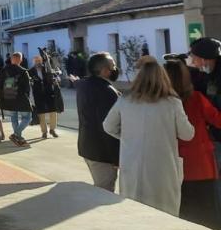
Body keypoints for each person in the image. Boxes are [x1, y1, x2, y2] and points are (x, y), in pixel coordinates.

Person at [103, 57, 194, 216]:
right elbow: (187, 135)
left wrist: (128, 137)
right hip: (163, 169)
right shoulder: (172, 102)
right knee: (165, 212)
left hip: (132, 164)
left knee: (135, 211)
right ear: (163, 77)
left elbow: (108, 126)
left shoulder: (125, 100)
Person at [164, 59, 221, 229]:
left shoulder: (160, 102)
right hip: (201, 164)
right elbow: (218, 120)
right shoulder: (196, 98)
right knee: (208, 213)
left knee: (182, 213)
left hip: (172, 165)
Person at [76, 52, 121, 191]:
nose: (115, 69)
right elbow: (107, 127)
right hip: (102, 153)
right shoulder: (107, 92)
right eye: (113, 66)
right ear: (104, 71)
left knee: (99, 189)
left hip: (87, 147)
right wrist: (116, 157)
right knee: (104, 191)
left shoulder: (84, 85)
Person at [0, 52, 33, 145]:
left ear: (12, 59)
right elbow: (27, 88)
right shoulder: (23, 71)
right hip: (20, 98)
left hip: (8, 97)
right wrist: (27, 98)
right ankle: (16, 134)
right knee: (27, 117)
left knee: (14, 117)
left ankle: (19, 139)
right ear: (20, 60)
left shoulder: (4, 70)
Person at [30, 54, 64, 139]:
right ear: (33, 62)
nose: (38, 63)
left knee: (53, 112)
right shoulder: (30, 71)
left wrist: (55, 79)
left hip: (49, 93)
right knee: (41, 114)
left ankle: (52, 130)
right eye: (36, 61)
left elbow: (55, 76)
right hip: (38, 94)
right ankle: (44, 132)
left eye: (39, 61)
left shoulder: (47, 69)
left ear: (42, 61)